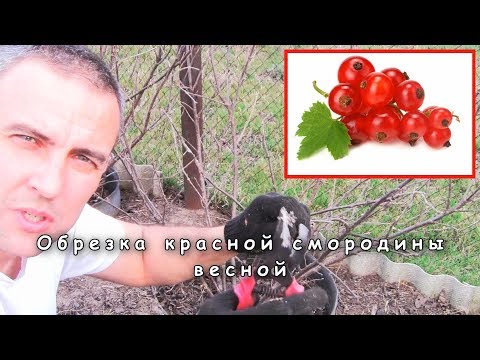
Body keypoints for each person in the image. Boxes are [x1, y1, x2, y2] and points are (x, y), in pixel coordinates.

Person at [0, 45, 317, 315]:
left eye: (83, 158)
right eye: (26, 138)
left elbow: (141, 254)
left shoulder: (45, 228)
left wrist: (235, 236)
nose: (51, 185)